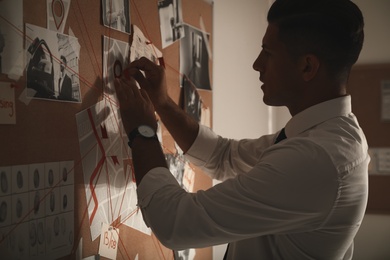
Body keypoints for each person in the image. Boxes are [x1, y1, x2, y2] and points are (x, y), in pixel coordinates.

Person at [114, 0, 369, 259]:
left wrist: (143, 131)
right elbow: (224, 156)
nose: (257, 64)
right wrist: (163, 104)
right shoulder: (328, 133)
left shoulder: (316, 160)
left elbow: (175, 224)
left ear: (307, 66)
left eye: (268, 53)